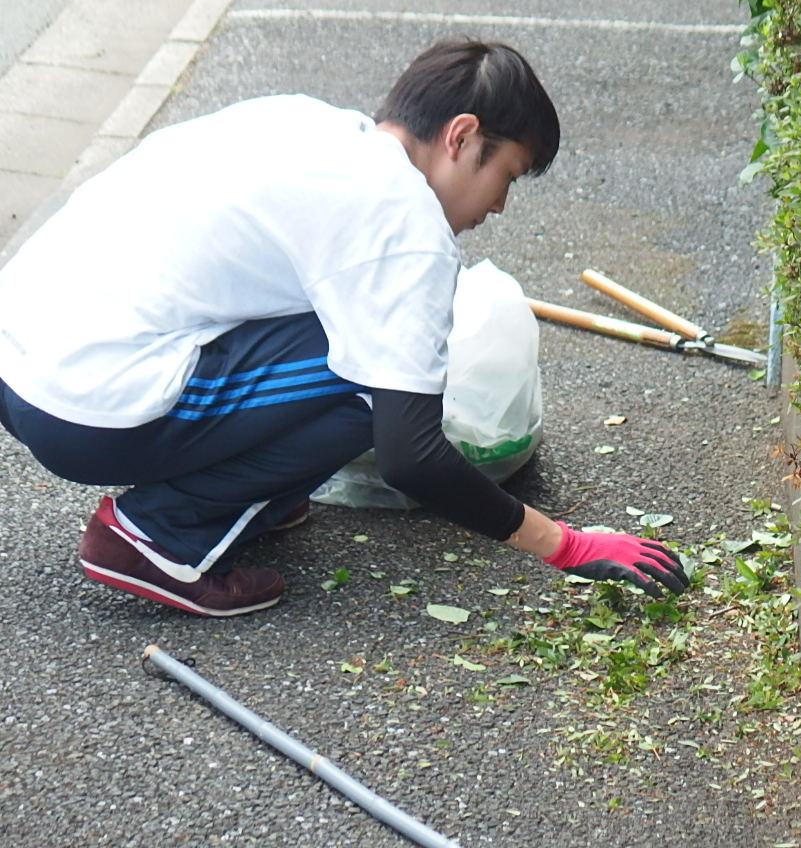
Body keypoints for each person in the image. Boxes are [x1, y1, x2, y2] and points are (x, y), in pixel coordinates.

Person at [0, 39, 687, 617]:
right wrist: (567, 545)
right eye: (506, 175)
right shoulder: (405, 224)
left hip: (21, 356)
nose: (502, 205)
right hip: (84, 405)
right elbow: (410, 455)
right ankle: (161, 537)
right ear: (462, 136)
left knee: (355, 340)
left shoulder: (306, 123)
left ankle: (255, 494)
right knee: (372, 381)